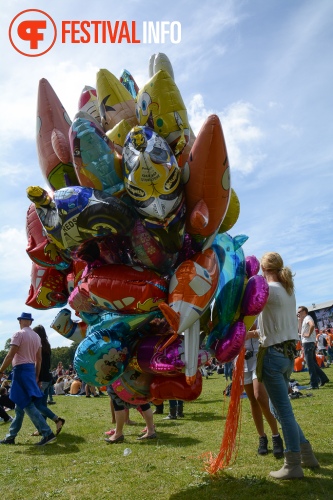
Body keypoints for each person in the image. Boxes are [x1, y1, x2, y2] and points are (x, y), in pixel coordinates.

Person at [256, 253, 319, 480]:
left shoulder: (269, 290)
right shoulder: (287, 290)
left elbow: (248, 308)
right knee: (278, 409)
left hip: (273, 355)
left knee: (283, 410)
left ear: (264, 268)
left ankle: (293, 464)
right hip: (285, 355)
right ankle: (306, 453)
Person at [0, 312, 56, 446]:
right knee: (20, 407)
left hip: (20, 371)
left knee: (26, 404)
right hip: (31, 370)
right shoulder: (37, 337)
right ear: (30, 322)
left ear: (20, 321)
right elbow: (39, 359)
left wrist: (1, 370)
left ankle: (47, 432)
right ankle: (10, 436)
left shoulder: (18, 334)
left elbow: (10, 356)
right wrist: (36, 375)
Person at [243, 328, 284, 458]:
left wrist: (252, 333)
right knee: (252, 400)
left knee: (259, 396)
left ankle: (276, 435)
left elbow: (269, 328)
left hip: (260, 354)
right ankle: (262, 437)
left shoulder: (259, 309)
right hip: (241, 358)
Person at [32, 325, 65, 436]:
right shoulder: (47, 346)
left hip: (41, 378)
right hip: (48, 378)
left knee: (37, 405)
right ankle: (42, 429)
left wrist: (37, 377)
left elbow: (39, 363)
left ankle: (57, 420)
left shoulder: (37, 345)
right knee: (43, 405)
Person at [298, 307, 329, 389]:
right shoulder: (304, 319)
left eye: (299, 311)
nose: (298, 313)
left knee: (310, 364)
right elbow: (300, 331)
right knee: (312, 363)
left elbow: (312, 325)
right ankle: (323, 378)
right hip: (308, 343)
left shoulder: (308, 317)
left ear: (304, 311)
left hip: (308, 343)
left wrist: (308, 334)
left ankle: (314, 384)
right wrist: (299, 320)